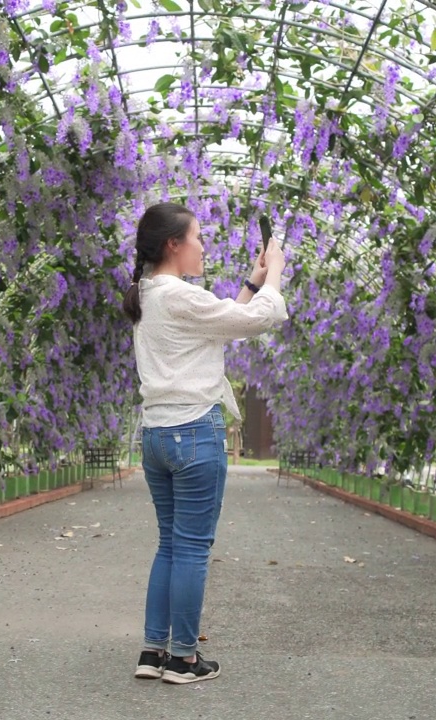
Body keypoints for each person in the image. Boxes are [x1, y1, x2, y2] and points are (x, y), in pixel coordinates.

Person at [121, 202, 288, 684]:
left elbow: (225, 322)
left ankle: (154, 652)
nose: (203, 245)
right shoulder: (177, 294)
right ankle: (184, 659)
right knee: (192, 548)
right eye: (197, 237)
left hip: (157, 436)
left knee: (170, 545)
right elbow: (257, 321)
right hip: (194, 433)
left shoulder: (150, 293)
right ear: (174, 244)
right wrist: (275, 272)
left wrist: (255, 283)